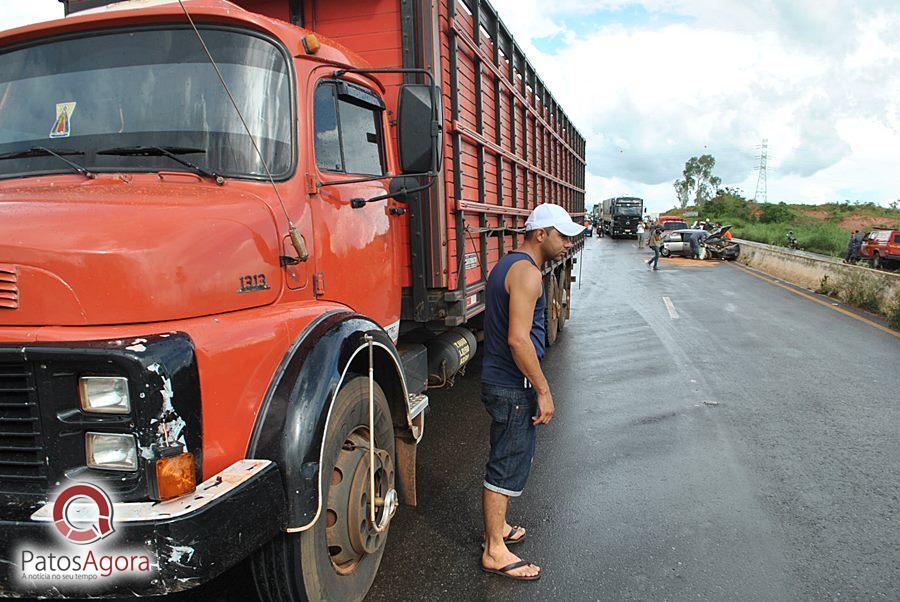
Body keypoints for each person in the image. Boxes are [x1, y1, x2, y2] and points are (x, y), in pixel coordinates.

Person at [480, 203, 579, 582]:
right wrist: (544, 390)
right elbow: (519, 340)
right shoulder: (527, 274)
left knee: (505, 455)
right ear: (541, 234)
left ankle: (499, 529)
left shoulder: (507, 264)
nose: (568, 243)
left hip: (501, 380)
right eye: (563, 235)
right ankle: (494, 549)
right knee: (507, 463)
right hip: (512, 384)